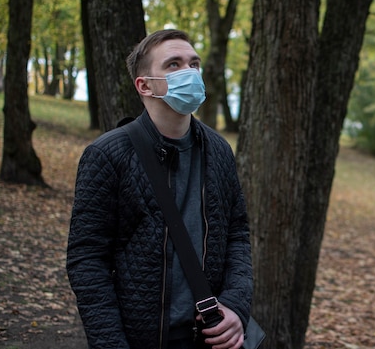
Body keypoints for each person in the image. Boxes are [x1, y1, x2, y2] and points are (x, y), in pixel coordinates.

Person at [66, 29, 252, 349]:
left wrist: (236, 305)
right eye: (174, 65)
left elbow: (237, 234)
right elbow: (87, 260)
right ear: (145, 85)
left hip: (211, 334)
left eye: (194, 64)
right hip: (141, 339)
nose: (189, 72)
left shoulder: (219, 151)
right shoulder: (108, 155)